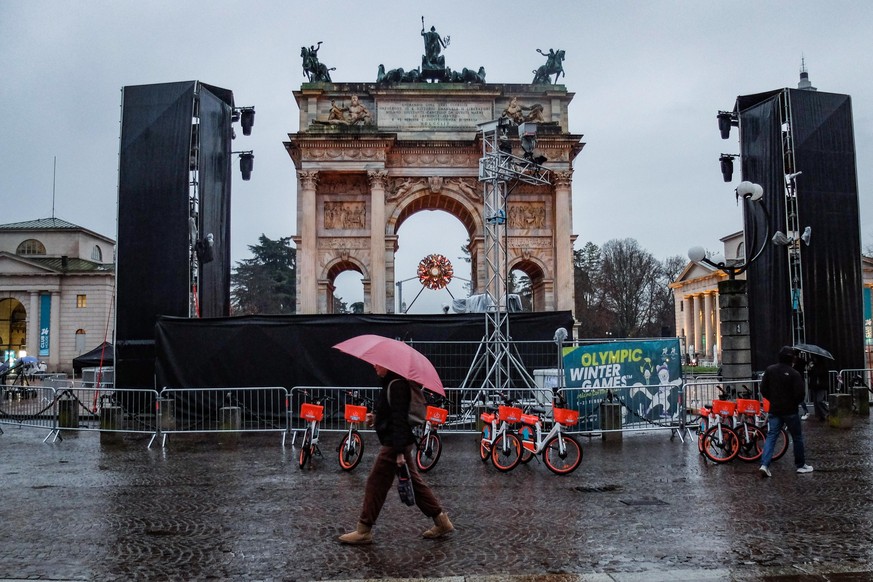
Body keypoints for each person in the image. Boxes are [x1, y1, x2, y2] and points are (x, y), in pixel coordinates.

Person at [338, 364, 454, 544]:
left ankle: (364, 530)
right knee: (415, 483)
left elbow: (399, 421)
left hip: (394, 444)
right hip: (398, 442)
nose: (375, 366)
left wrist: (399, 452)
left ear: (389, 366)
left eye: (379, 364)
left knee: (375, 483)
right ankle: (441, 521)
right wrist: (375, 418)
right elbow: (391, 414)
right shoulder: (392, 383)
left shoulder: (398, 385)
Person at [759, 346, 813, 477]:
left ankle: (764, 465)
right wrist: (793, 402)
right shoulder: (794, 373)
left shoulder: (770, 370)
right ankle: (800, 465)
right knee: (797, 437)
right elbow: (800, 394)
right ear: (792, 359)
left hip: (775, 409)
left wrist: (772, 399)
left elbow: (763, 389)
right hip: (790, 411)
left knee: (771, 436)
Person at [807, 355, 829, 421]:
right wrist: (809, 369)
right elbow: (810, 375)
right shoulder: (814, 366)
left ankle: (826, 412)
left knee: (819, 400)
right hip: (814, 385)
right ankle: (820, 415)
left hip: (821, 385)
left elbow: (821, 374)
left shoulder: (823, 367)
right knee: (816, 402)